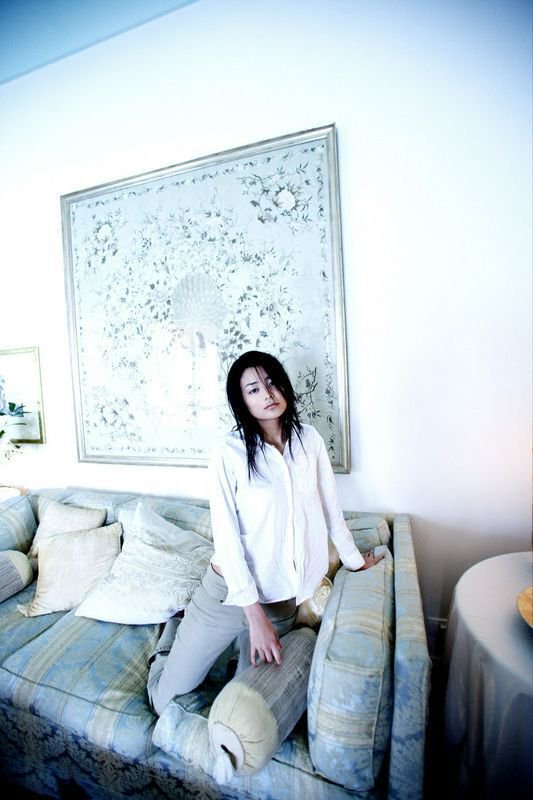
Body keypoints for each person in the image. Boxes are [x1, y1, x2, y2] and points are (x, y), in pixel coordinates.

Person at [147, 350, 383, 716]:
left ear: (284, 387)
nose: (267, 394)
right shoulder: (229, 452)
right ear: (242, 401)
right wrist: (254, 620)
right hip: (227, 595)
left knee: (246, 706)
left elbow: (331, 512)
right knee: (164, 701)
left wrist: (354, 562)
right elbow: (227, 539)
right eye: (254, 389)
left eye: (272, 383)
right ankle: (170, 638)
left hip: (280, 601)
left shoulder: (310, 441)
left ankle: (229, 646)